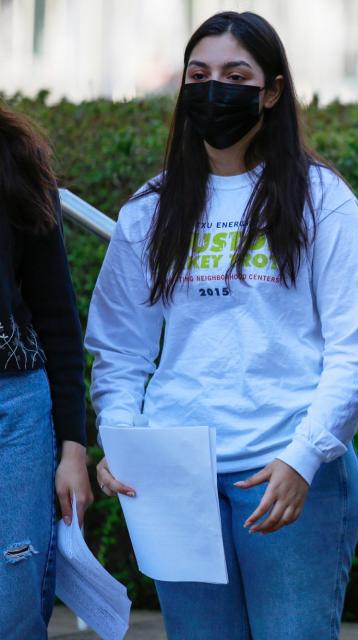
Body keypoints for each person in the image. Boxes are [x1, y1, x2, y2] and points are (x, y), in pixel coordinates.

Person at [85, 12, 358, 639]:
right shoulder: (150, 208)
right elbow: (119, 348)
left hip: (284, 471)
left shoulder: (322, 199)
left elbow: (353, 350)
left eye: (235, 74)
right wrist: (122, 435)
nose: (214, 88)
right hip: (175, 476)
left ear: (271, 91)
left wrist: (304, 459)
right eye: (199, 74)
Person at [0, 105, 93, 638]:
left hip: (14, 418)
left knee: (13, 612)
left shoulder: (13, 157)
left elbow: (58, 319)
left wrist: (73, 450)